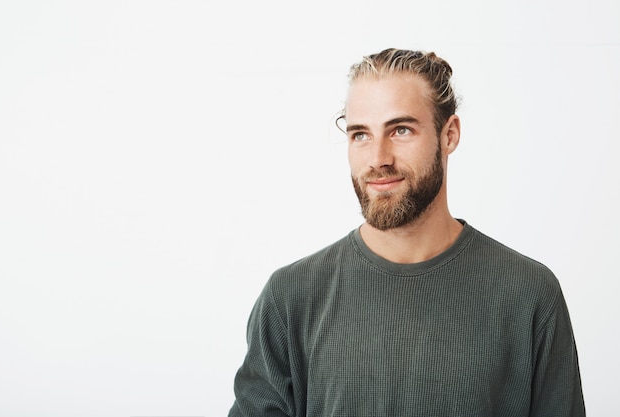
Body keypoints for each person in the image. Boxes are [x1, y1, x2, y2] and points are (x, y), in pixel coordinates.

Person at [228, 48, 586, 417]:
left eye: (400, 130)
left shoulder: (528, 294)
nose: (378, 158)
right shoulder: (291, 297)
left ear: (449, 135)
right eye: (360, 135)